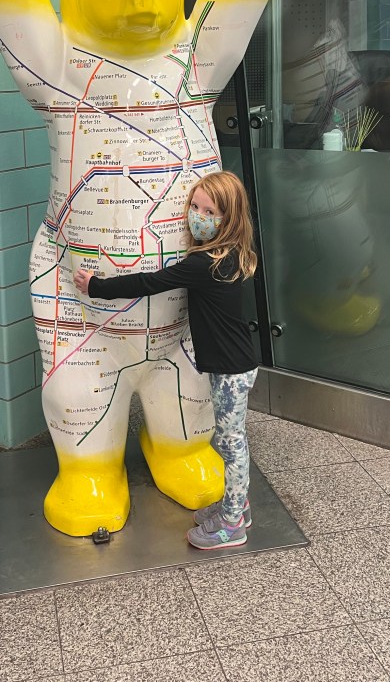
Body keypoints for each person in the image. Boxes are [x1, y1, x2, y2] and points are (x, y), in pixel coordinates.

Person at [73, 170, 259, 550]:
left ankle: (233, 523)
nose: (198, 216)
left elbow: (148, 283)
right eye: (195, 206)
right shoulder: (233, 254)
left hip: (231, 370)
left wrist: (96, 286)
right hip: (236, 363)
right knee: (231, 440)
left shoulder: (204, 265)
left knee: (231, 443)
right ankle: (235, 505)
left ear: (229, 218)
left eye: (210, 211)